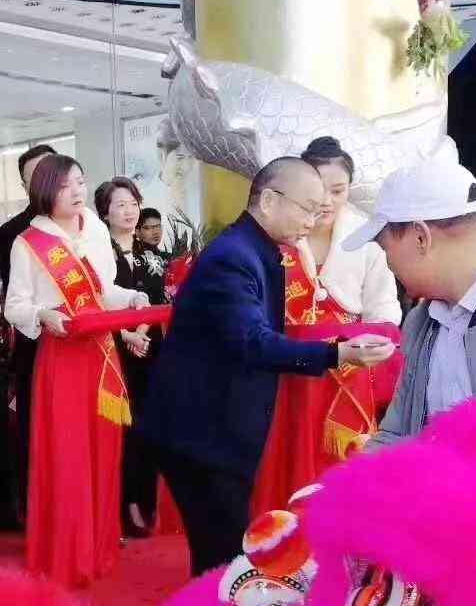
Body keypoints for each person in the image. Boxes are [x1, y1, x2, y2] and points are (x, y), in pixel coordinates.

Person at [144, 156, 393, 577]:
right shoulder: (233, 258)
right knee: (223, 559)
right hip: (201, 433)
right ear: (269, 200)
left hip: (216, 429)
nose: (312, 221)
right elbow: (253, 341)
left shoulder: (256, 250)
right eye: (307, 208)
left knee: (222, 555)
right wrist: (337, 354)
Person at [5, 155, 148, 586]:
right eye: (66, 185)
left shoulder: (97, 230)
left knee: (102, 452)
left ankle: (98, 548)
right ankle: (67, 554)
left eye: (81, 182)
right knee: (68, 457)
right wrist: (44, 315)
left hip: (101, 355)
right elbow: (15, 306)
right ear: (46, 190)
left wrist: (131, 299)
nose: (77, 191)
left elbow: (104, 292)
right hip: (63, 357)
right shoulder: (29, 242)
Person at [252, 136, 403, 512]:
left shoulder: (367, 241)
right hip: (288, 373)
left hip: (349, 377)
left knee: (344, 473)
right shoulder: (278, 240)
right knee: (284, 463)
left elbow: (385, 311)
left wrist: (366, 342)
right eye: (320, 190)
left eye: (339, 190)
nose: (328, 201)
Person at [343, 151, 476, 447]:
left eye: (385, 249)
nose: (388, 264)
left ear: (420, 237)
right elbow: (396, 435)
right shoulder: (422, 322)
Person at [95, 178, 163, 537]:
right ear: (104, 212)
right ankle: (124, 505)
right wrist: (127, 335)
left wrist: (143, 332)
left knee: (148, 427)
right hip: (115, 350)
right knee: (121, 429)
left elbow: (157, 301)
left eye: (133, 203)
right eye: (120, 205)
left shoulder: (151, 254)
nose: (129, 211)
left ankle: (146, 499)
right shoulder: (97, 254)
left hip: (150, 348)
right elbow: (97, 303)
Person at [0, 143, 57, 506]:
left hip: (81, 342)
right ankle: (35, 502)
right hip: (36, 340)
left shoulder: (84, 224)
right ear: (24, 185)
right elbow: (14, 297)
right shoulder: (13, 232)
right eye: (34, 176)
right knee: (35, 423)